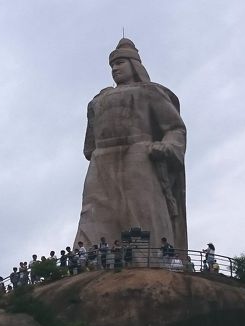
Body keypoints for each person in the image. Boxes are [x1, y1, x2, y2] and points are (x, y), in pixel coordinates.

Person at [74, 38, 188, 252]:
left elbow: (175, 128)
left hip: (138, 156)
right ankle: (89, 260)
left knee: (142, 213)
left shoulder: (150, 92)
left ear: (135, 65)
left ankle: (151, 258)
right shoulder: (98, 100)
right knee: (92, 215)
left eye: (120, 63)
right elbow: (89, 147)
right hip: (101, 163)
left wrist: (167, 146)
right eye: (112, 66)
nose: (115, 69)